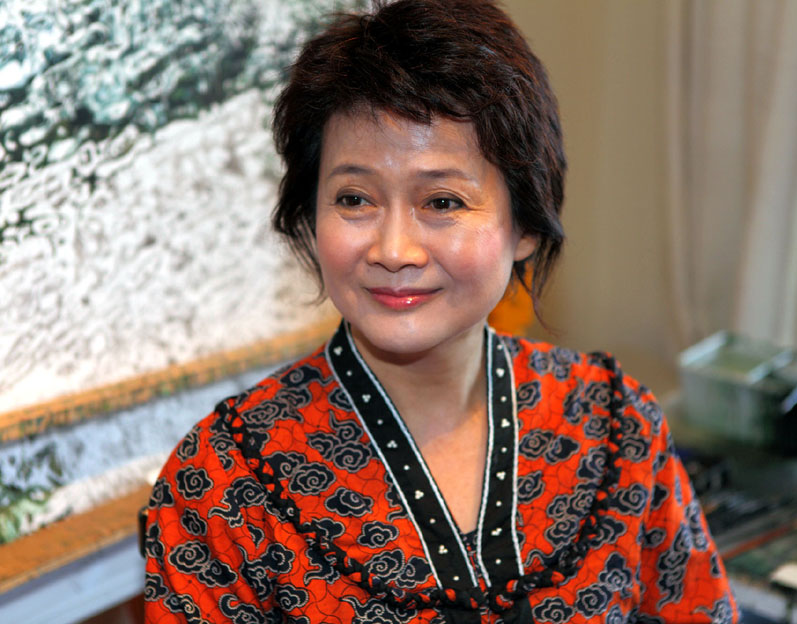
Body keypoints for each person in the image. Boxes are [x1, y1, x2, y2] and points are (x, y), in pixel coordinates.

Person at [143, 1, 738, 622]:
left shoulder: (615, 426)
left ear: (525, 224)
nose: (394, 250)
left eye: (443, 201)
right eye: (354, 198)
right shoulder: (222, 482)